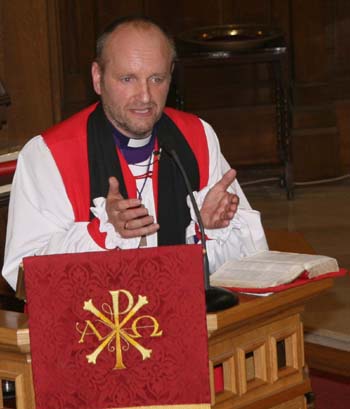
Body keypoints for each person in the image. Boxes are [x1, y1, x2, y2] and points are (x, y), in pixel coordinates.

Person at [2, 16, 268, 290]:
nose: (145, 96)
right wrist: (101, 236)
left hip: (185, 318)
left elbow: (251, 264)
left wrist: (211, 229)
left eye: (157, 78)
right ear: (97, 78)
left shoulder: (196, 137)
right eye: (127, 79)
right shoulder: (49, 155)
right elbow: (24, 277)